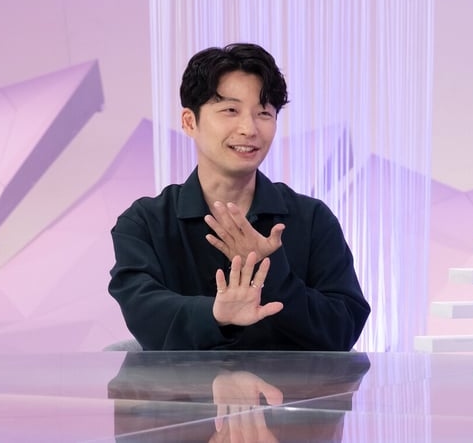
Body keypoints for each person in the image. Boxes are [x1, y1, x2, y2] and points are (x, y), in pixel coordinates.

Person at [108, 43, 370, 350]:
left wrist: (271, 274)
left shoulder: (312, 218)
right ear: (190, 122)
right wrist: (215, 315)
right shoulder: (144, 223)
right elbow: (144, 314)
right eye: (230, 110)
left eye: (264, 113)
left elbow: (343, 328)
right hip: (185, 383)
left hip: (292, 383)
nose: (249, 128)